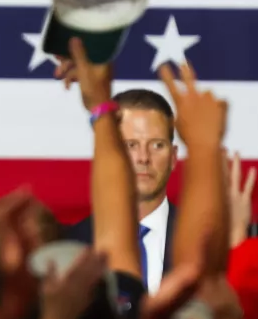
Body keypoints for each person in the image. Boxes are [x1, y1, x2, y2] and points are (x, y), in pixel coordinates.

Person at [68, 89, 178, 293]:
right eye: (131, 145)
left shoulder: (202, 239)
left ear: (173, 157)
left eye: (157, 145)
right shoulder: (73, 243)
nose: (143, 158)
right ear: (111, 154)